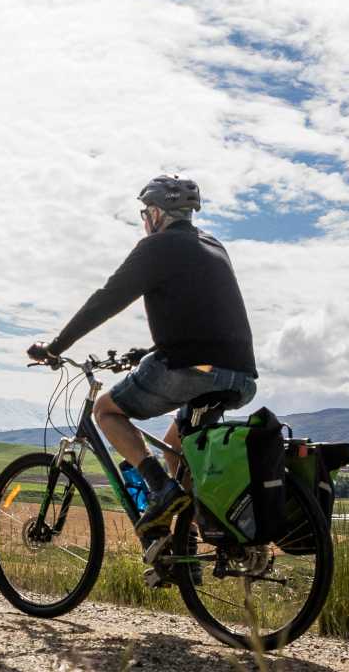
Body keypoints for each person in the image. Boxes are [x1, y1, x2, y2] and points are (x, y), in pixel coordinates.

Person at [28, 175, 258, 568]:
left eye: (143, 213)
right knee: (177, 448)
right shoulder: (213, 245)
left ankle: (158, 489)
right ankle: (182, 556)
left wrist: (56, 347)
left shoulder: (157, 247)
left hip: (192, 370)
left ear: (155, 213)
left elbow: (106, 299)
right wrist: (148, 350)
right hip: (240, 376)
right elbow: (204, 316)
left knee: (106, 410)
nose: (143, 220)